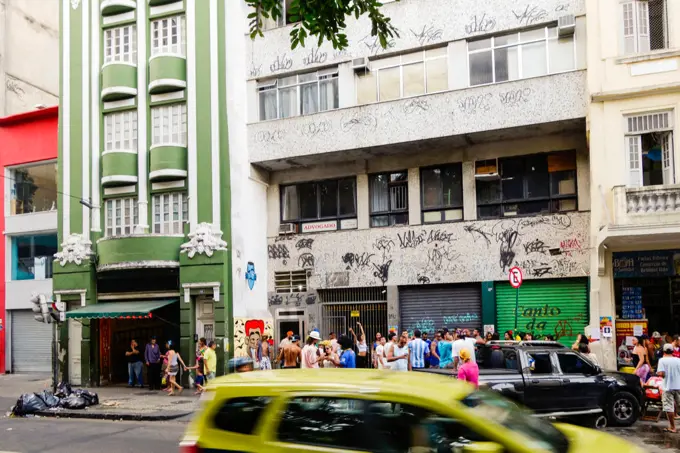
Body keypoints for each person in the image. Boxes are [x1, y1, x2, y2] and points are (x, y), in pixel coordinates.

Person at [658, 343, 680, 433]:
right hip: (678, 385)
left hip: (667, 387)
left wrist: (660, 374)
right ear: (673, 351)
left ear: (663, 351)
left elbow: (661, 374)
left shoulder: (662, 360)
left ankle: (672, 427)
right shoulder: (678, 360)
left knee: (669, 408)